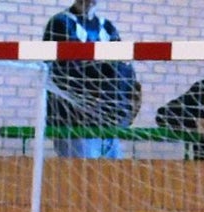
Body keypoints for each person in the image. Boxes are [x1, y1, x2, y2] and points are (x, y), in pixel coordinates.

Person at [44, 0, 141, 159]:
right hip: (75, 124)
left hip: (108, 123)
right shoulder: (61, 23)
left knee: (113, 173)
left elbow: (121, 66)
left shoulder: (107, 27)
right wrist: (104, 71)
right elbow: (66, 73)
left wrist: (127, 100)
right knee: (81, 172)